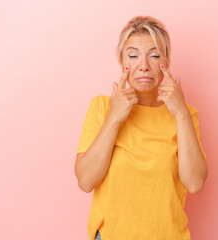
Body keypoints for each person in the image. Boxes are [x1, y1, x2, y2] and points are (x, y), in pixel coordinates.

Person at [74, 15, 208, 240]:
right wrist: (114, 118)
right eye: (133, 56)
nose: (144, 66)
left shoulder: (184, 114)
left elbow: (195, 183)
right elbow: (85, 181)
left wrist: (181, 114)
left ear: (166, 62)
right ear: (121, 61)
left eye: (154, 56)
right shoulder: (101, 107)